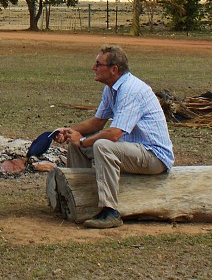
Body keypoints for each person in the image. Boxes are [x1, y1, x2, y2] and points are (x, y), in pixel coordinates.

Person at [54, 44, 174, 229]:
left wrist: (84, 140)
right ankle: (80, 199)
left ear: (114, 69)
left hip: (154, 156)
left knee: (102, 145)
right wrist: (69, 131)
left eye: (98, 64)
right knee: (76, 144)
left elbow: (114, 134)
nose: (93, 68)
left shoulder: (131, 90)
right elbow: (97, 123)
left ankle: (110, 211)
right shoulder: (111, 88)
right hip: (133, 150)